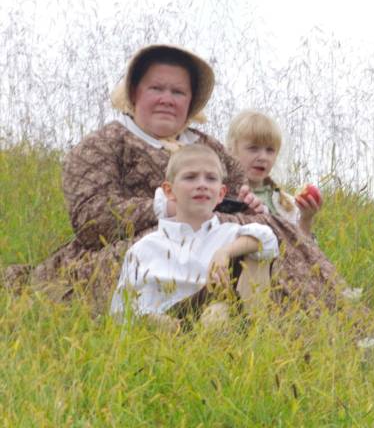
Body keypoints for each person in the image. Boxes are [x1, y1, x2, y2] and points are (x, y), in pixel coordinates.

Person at [8, 44, 341, 315]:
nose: (168, 98)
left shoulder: (209, 146)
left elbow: (240, 193)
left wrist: (249, 205)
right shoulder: (106, 143)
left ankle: (316, 329)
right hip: (142, 249)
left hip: (221, 237)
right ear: (135, 93)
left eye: (178, 92)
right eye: (157, 88)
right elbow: (90, 219)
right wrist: (165, 207)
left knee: (269, 232)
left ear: (190, 101)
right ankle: (190, 318)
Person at [110, 144, 279, 329]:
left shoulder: (230, 234)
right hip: (168, 327)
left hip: (222, 319)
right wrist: (158, 323)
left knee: (220, 308)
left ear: (221, 193)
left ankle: (238, 342)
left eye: (211, 178)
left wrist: (225, 252)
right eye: (190, 177)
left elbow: (268, 238)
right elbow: (120, 311)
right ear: (169, 191)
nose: (202, 185)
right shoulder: (145, 248)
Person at [226, 110, 322, 236]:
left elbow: (302, 251)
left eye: (270, 150)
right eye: (253, 148)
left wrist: (306, 219)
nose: (263, 157)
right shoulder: (223, 197)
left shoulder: (287, 204)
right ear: (232, 150)